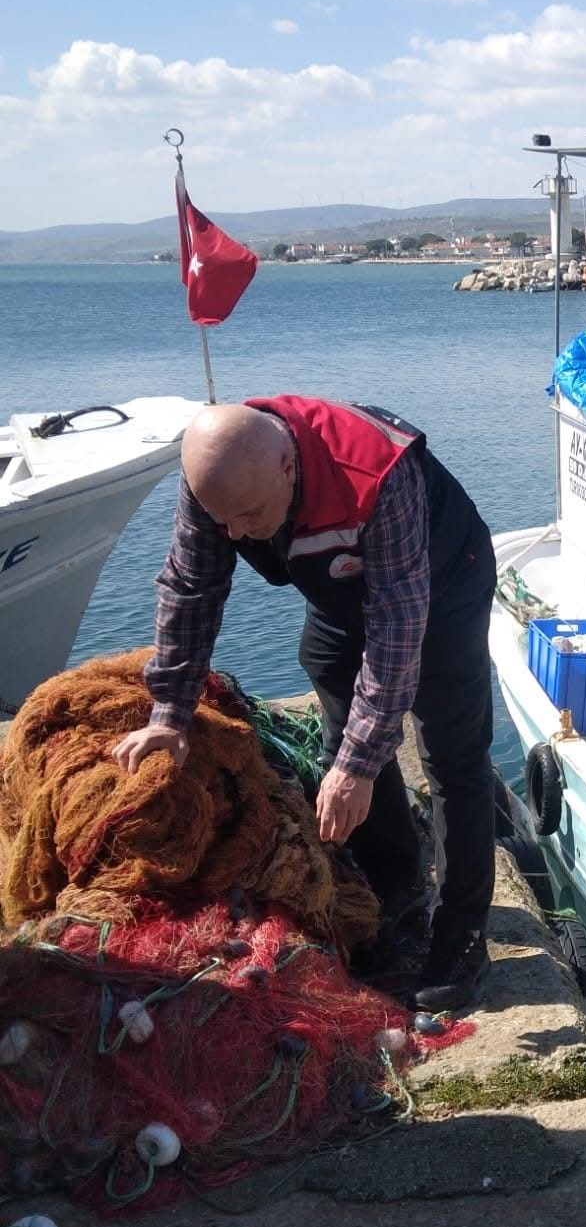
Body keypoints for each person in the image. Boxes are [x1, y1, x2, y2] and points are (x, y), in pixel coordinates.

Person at [113, 397, 496, 1011]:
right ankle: (395, 890)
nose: (235, 533)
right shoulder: (221, 481)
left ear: (288, 468)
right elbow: (191, 589)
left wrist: (359, 764)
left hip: (441, 579)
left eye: (248, 515)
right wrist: (170, 713)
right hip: (341, 580)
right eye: (223, 519)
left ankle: (463, 933)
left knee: (452, 753)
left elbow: (397, 627)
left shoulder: (376, 474)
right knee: (333, 693)